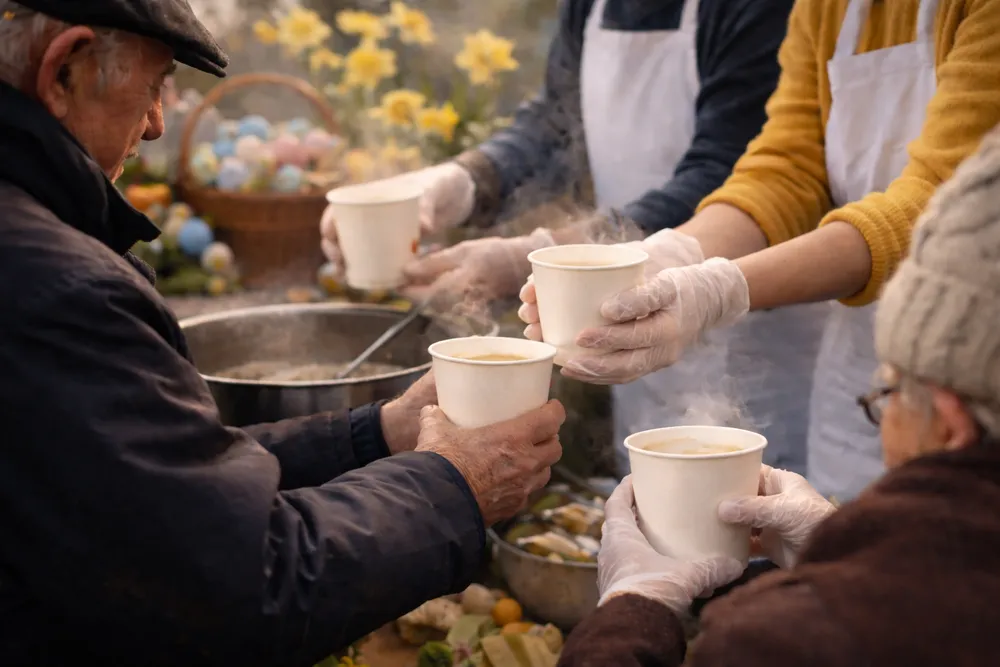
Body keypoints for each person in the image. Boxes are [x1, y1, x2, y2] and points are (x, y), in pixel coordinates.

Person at [0, 2, 565, 665]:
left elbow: (160, 489)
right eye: (154, 87)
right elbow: (245, 584)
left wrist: (379, 432)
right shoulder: (57, 289)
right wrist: (454, 483)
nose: (156, 125)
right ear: (63, 70)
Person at [556, 123, 1000, 666]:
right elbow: (789, 162)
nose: (882, 417)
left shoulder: (783, 638)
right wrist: (831, 542)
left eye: (886, 395)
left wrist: (633, 608)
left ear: (951, 426)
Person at [520, 0, 1000, 500]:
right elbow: (788, 168)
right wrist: (678, 254)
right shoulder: (825, 9)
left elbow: (940, 201)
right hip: (858, 373)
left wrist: (723, 289)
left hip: (969, 375)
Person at [323, 0, 827, 477]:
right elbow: (556, 121)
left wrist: (538, 255)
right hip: (623, 309)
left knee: (759, 512)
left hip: (755, 318)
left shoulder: (760, 9)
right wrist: (463, 181)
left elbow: (728, 171)